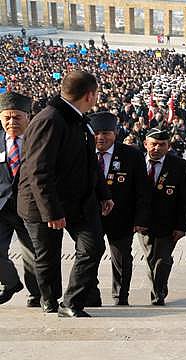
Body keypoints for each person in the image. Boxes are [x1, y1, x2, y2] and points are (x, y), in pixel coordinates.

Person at [18, 71, 113, 317]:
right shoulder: (50, 120)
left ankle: (71, 301)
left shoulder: (78, 119)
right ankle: (49, 300)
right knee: (48, 255)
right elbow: (38, 171)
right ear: (90, 95)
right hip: (43, 203)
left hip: (78, 200)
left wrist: (104, 194)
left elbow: (89, 162)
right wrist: (51, 211)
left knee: (92, 247)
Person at [89, 111, 150, 306]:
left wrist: (140, 219)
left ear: (115, 133)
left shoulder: (132, 155)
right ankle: (91, 294)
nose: (101, 137)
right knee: (88, 257)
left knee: (122, 258)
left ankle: (121, 296)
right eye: (96, 132)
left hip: (122, 217)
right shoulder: (82, 152)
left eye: (106, 132)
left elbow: (142, 190)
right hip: (90, 217)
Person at [137, 128, 186, 306]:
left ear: (168, 146)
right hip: (142, 223)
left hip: (168, 223)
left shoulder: (180, 166)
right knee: (151, 259)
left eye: (162, 145)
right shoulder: (135, 162)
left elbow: (185, 200)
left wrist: (182, 227)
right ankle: (160, 286)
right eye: (153, 144)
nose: (157, 148)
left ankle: (158, 292)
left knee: (162, 258)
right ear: (146, 144)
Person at [0, 92, 41, 307]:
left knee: (32, 254)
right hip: (1, 206)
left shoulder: (39, 141)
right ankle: (11, 282)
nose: (11, 122)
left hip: (30, 206)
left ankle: (36, 294)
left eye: (17, 117)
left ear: (28, 117)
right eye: (7, 117)